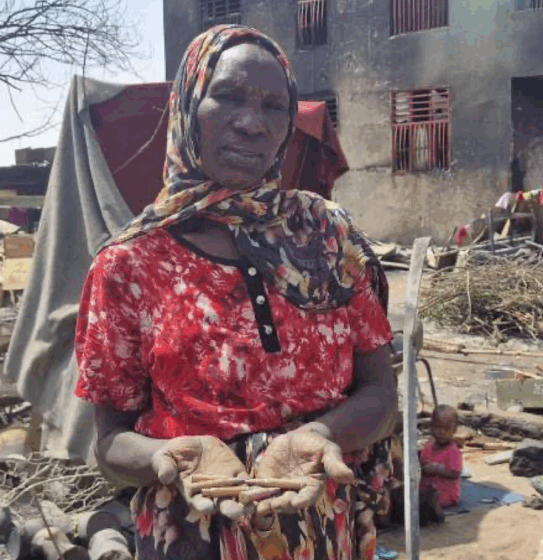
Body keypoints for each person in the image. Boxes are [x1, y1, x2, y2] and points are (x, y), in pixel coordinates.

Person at [74, 25, 397, 560]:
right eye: (226, 97)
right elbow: (109, 444)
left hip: (316, 528)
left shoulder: (326, 237)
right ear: (187, 105)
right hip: (190, 535)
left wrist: (316, 435)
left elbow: (380, 395)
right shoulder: (129, 264)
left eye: (274, 106)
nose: (251, 123)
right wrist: (177, 456)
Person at [419, 405, 463, 510]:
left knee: (432, 501)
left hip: (446, 495)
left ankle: (433, 507)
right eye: (438, 427)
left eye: (446, 428)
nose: (442, 432)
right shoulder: (428, 445)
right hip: (427, 490)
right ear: (431, 426)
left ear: (454, 430)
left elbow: (455, 472)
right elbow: (422, 462)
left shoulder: (453, 450)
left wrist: (435, 469)